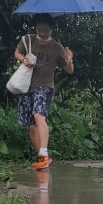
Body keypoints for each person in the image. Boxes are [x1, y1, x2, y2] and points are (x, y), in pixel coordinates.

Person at [14, 13, 74, 170]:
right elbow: (17, 52)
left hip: (45, 86)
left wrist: (68, 59)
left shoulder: (57, 48)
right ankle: (43, 159)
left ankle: (43, 154)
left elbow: (69, 70)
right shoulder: (27, 40)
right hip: (26, 86)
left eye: (45, 30)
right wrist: (23, 59)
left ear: (51, 30)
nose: (42, 33)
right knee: (31, 125)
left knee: (39, 116)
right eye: (39, 30)